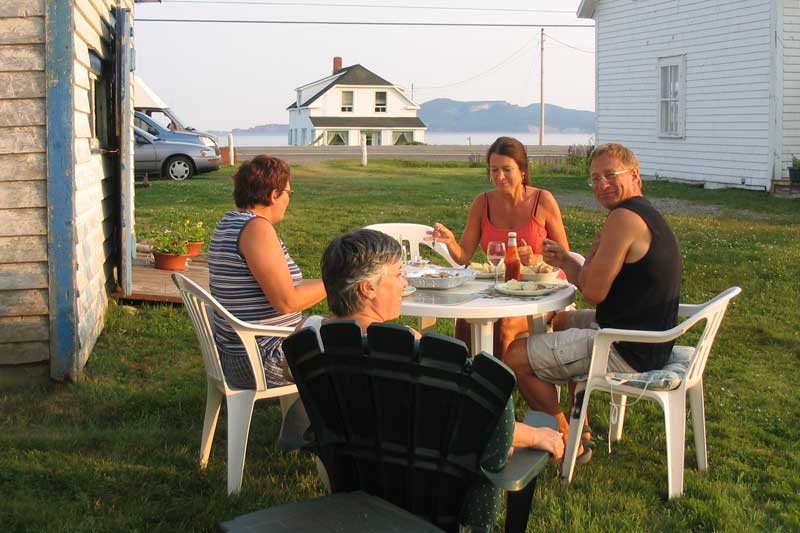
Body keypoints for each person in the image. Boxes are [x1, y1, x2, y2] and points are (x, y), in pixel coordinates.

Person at [283, 229, 564, 530]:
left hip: (351, 482)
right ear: (368, 289)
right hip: (429, 494)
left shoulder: (307, 339)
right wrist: (535, 436)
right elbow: (478, 430)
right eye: (399, 274)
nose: (405, 283)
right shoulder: (414, 353)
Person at [503, 142, 682, 463]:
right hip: (649, 336)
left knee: (514, 357)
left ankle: (565, 439)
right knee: (557, 323)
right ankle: (578, 421)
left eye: (610, 175)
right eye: (595, 179)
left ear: (635, 175)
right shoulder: (645, 213)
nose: (601, 185)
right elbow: (594, 281)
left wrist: (592, 255)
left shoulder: (623, 219)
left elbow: (594, 292)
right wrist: (569, 260)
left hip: (626, 347)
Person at [428, 136, 570, 356]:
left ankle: (497, 388)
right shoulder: (482, 203)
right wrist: (451, 242)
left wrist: (536, 259)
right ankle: (466, 384)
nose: (499, 176)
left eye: (506, 169)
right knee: (465, 323)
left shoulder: (543, 200)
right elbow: (463, 256)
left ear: (522, 170)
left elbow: (565, 255)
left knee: (504, 326)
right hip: (500, 288)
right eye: (494, 170)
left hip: (541, 291)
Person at [208, 155, 326, 390]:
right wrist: (340, 281)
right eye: (288, 193)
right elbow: (287, 301)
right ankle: (322, 421)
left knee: (346, 330)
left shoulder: (231, 222)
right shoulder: (256, 229)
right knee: (353, 348)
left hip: (240, 352)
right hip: (261, 359)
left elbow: (286, 286)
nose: (288, 199)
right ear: (274, 195)